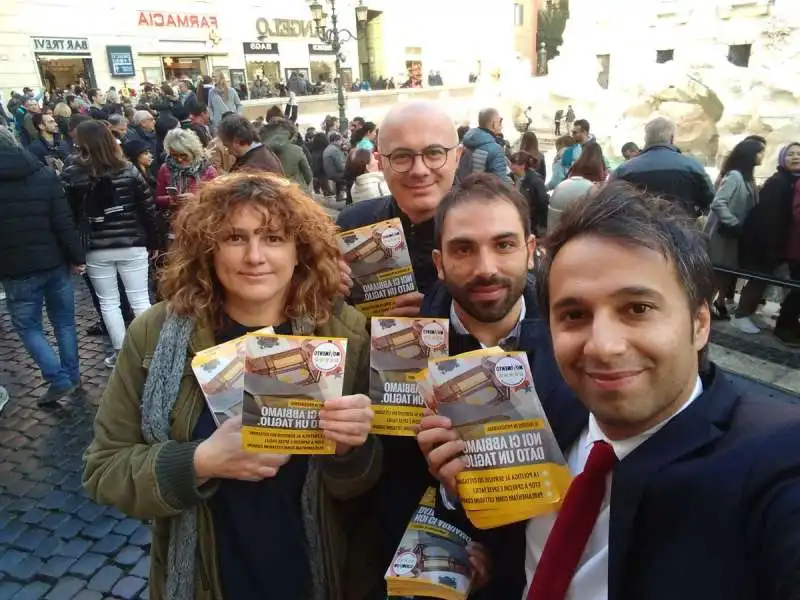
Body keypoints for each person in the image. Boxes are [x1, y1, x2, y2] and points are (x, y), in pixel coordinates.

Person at [418, 181, 800, 600]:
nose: (603, 345)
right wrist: (465, 493)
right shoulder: (551, 411)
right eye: (575, 313)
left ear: (700, 322)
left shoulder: (775, 460)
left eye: (637, 309)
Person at [82, 172, 379, 600]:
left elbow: (366, 486)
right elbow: (104, 470)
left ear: (300, 251)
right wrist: (199, 462)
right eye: (235, 238)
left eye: (274, 238)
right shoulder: (155, 334)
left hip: (315, 576)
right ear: (208, 248)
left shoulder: (344, 331)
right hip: (204, 579)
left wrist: (351, 451)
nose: (255, 256)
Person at [61, 120, 160, 368]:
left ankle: (120, 352)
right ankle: (150, 351)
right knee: (140, 300)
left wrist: (74, 251)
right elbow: (147, 208)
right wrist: (154, 240)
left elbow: (69, 215)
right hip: (131, 242)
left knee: (109, 303)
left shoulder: (73, 173)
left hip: (95, 246)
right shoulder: (128, 169)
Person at [337, 101, 461, 298]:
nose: (419, 170)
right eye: (401, 156)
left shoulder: (490, 231)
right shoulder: (351, 226)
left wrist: (445, 312)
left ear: (458, 157)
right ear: (380, 162)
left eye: (434, 153)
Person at [0, 126, 84, 406]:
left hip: (15, 269)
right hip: (53, 261)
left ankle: (58, 378)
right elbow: (63, 220)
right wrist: (76, 256)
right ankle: (71, 375)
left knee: (27, 326)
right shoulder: (43, 174)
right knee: (63, 321)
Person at [739, 142, 800, 346]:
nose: (796, 157)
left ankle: (749, 313)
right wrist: (771, 247)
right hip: (765, 241)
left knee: (764, 279)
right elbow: (769, 218)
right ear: (782, 158)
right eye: (790, 154)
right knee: (759, 278)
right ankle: (741, 316)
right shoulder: (779, 182)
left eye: (799, 154)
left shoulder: (790, 181)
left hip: (776, 242)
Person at [706, 138, 765, 330]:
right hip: (723, 235)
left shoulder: (748, 178)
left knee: (726, 274)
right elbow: (718, 203)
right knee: (717, 274)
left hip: (734, 237)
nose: (762, 155)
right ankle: (704, 309)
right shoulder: (735, 177)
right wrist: (733, 222)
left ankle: (717, 304)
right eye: (759, 151)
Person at [613, 117, 715, 217]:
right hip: (682, 230)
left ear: (646, 139)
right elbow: (711, 202)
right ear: (671, 138)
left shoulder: (624, 170)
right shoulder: (692, 166)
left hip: (639, 230)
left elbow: (611, 205)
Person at [155, 128, 218, 244]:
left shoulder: (208, 170)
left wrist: (196, 198)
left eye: (183, 155)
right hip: (174, 227)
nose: (179, 159)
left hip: (201, 227)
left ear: (192, 150)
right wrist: (171, 200)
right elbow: (158, 198)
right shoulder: (165, 168)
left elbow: (218, 199)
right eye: (174, 155)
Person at [549, 141, 606, 231]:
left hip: (566, 199)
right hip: (588, 205)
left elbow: (565, 179)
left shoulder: (576, 165)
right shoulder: (601, 169)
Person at [458, 108, 511, 183]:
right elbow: (500, 183)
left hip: (466, 190)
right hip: (486, 192)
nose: (502, 126)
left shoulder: (466, 143)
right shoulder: (495, 149)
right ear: (493, 124)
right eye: (500, 122)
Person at [217, 114, 283, 174]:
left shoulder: (251, 168)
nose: (228, 151)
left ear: (236, 141)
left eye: (227, 146)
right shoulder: (263, 153)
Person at [260, 118, 313, 187]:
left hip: (270, 192)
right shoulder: (296, 150)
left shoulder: (259, 151)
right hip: (294, 192)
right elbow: (308, 176)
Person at [510, 151, 548, 235]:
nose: (511, 166)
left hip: (532, 224)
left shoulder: (536, 182)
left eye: (514, 164)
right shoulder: (513, 178)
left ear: (522, 165)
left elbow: (542, 203)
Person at [323, 131, 348, 199]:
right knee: (351, 176)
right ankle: (349, 196)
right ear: (335, 141)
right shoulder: (335, 150)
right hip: (335, 174)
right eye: (340, 140)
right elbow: (340, 166)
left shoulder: (328, 148)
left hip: (329, 173)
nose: (341, 142)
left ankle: (340, 194)